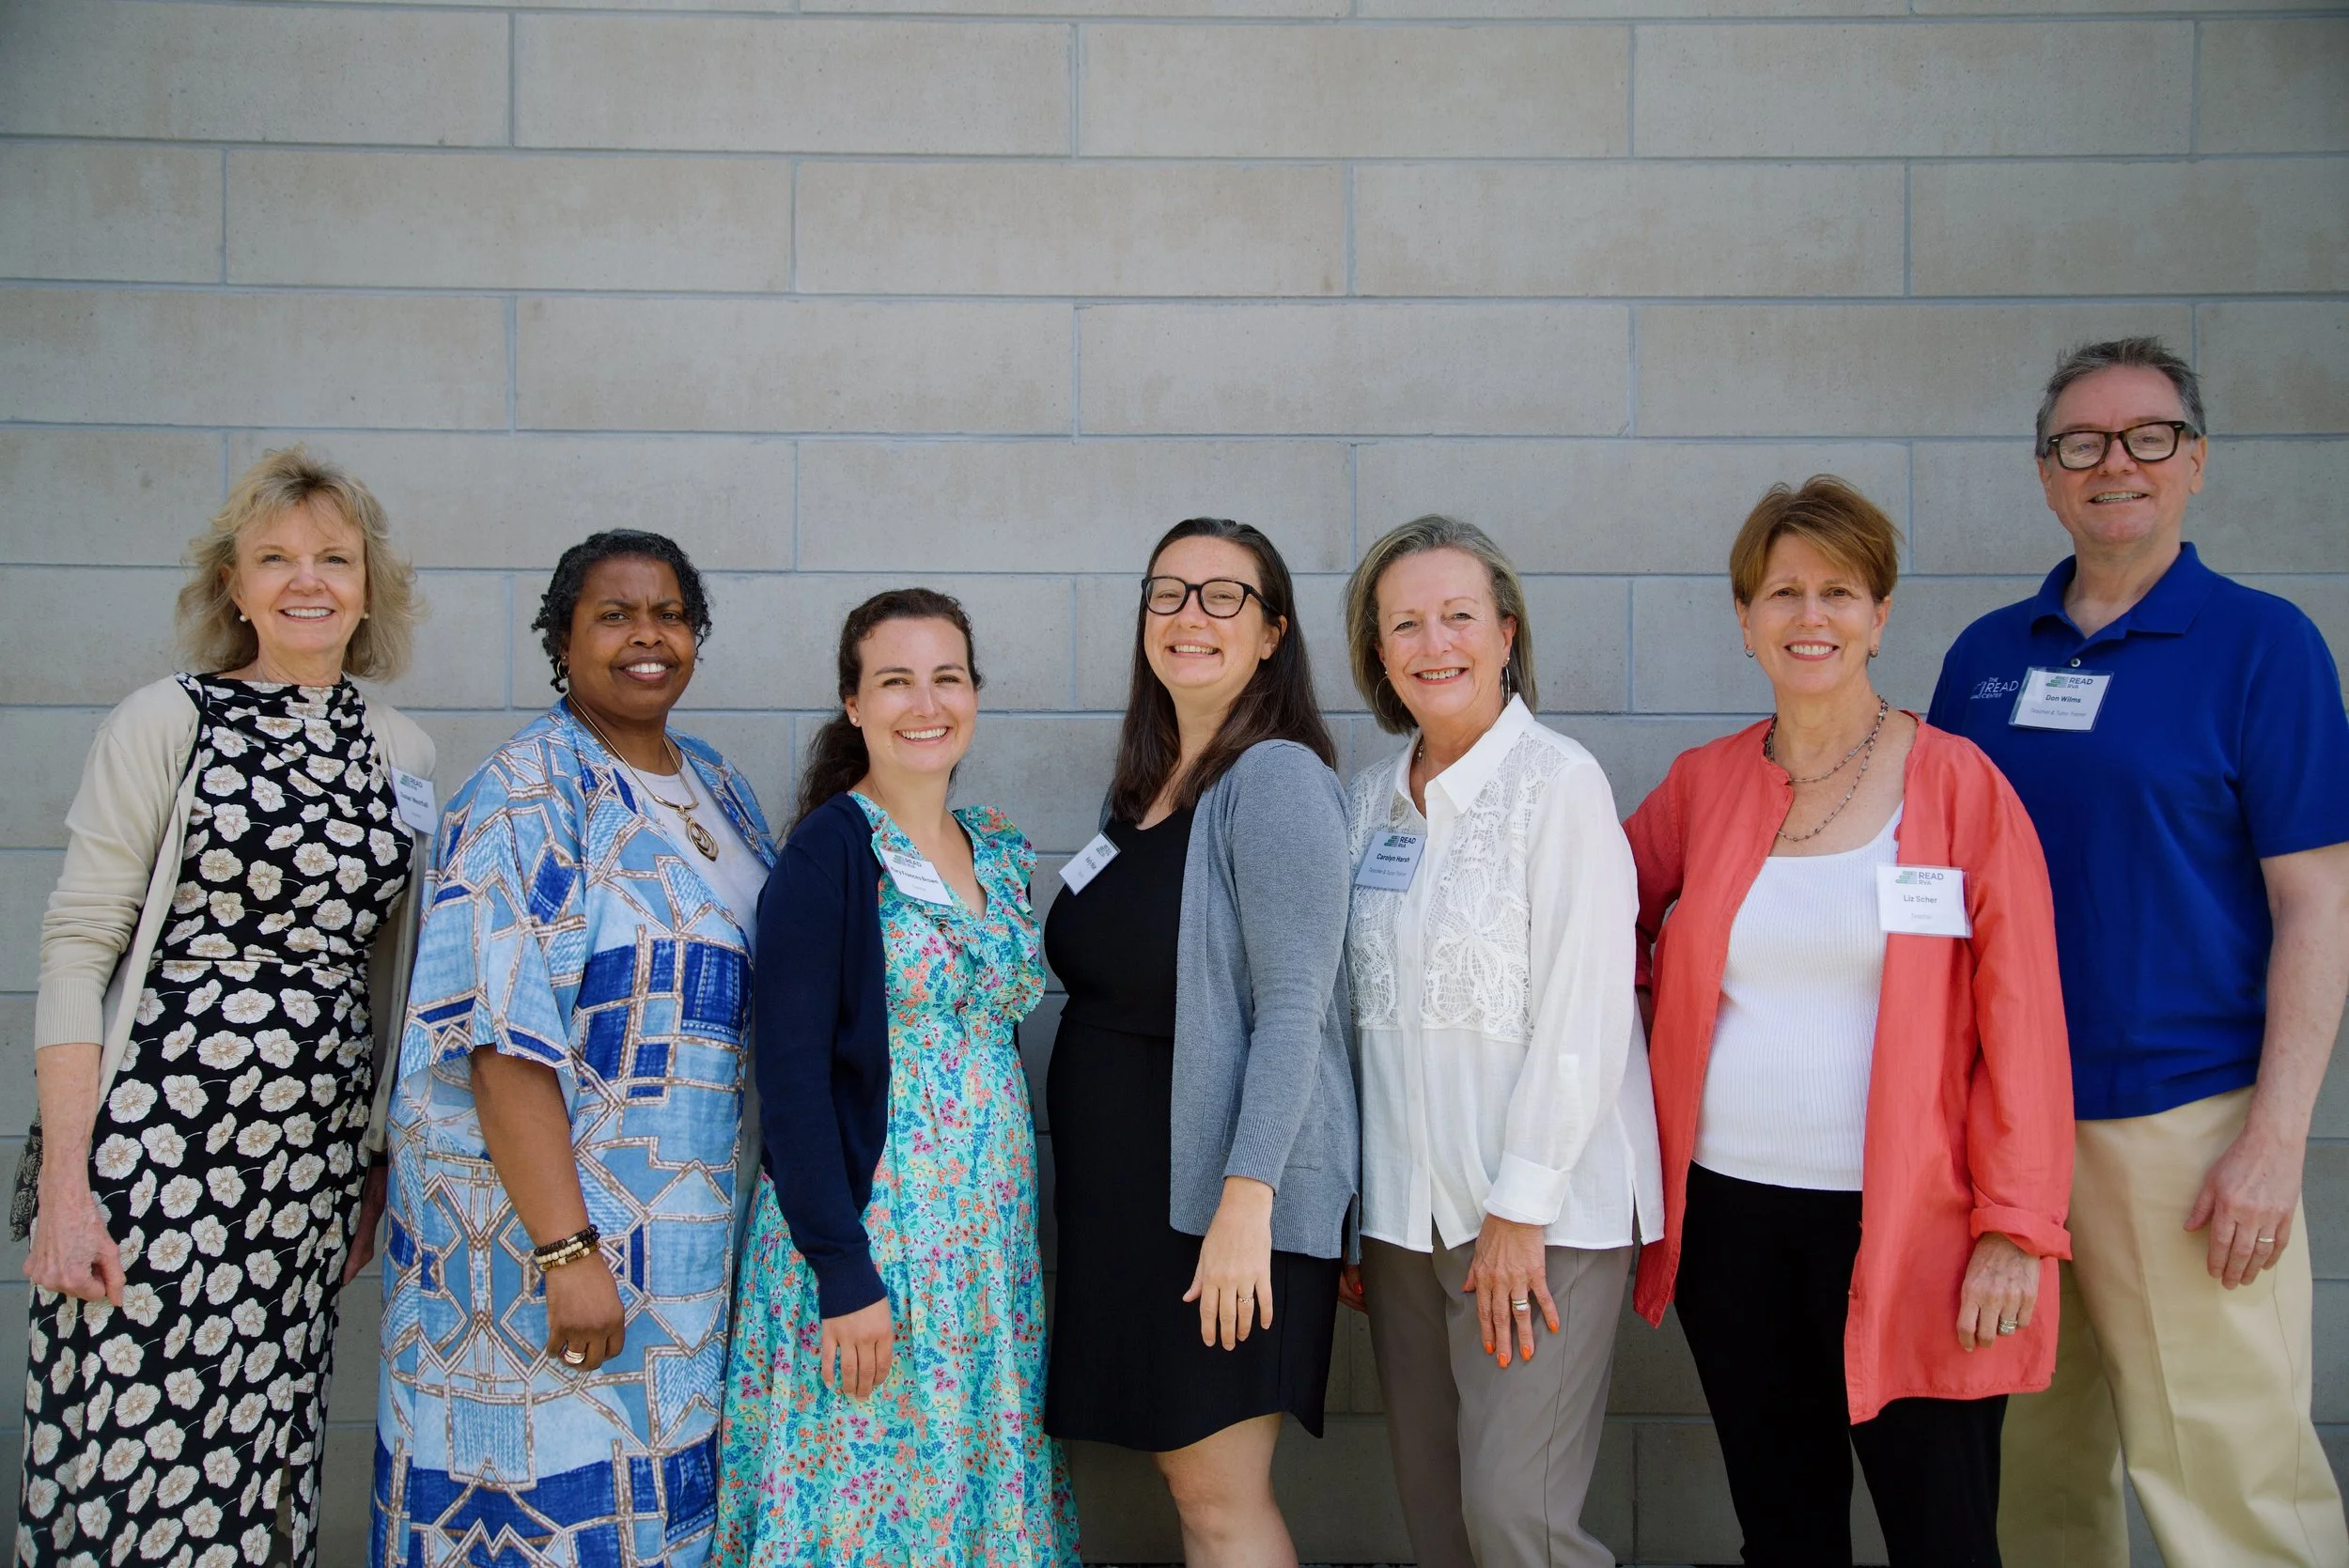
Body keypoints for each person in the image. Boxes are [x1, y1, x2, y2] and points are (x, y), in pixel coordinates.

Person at [1927, 338, 2349, 1567]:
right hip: (2008, 1134)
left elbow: (2319, 904)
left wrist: (2274, 1139)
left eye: (2147, 436)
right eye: (2081, 442)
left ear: (2195, 461)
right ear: (2045, 473)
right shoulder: (1986, 659)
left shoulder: (2263, 646)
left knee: (2231, 1479)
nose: (2114, 462)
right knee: (2035, 1476)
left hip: (2183, 1129)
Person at [1626, 477, 2074, 1567]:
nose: (1809, 616)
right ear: (1744, 619)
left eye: (1838, 591)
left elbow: (2024, 1025)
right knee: (1784, 1530)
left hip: (1915, 1227)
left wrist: (2015, 1227)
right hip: (1729, 1222)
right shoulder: (1703, 784)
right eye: (1782, 592)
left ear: (1880, 615)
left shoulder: (1960, 787)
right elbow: (1597, 925)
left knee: (1943, 1533)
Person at [19, 446, 434, 1567]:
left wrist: (372, 1160)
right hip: (154, 1160)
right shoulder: (170, 719)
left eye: (333, 558)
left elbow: (391, 977)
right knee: (128, 1453)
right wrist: (67, 1188)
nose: (308, 580)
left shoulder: (401, 751)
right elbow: (78, 946)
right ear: (234, 586)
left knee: (262, 1462)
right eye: (275, 557)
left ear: (369, 585)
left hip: (304, 1176)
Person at [370, 531, 773, 1568]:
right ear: (562, 640)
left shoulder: (719, 787)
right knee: (534, 1517)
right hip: (535, 1259)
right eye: (614, 615)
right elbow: (497, 1043)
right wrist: (567, 1251)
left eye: (670, 614)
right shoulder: (527, 792)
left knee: (654, 1522)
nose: (648, 636)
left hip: (677, 1263)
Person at [714, 588, 1078, 1564]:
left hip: (983, 1246)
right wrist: (842, 1269)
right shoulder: (830, 853)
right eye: (895, 681)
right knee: (866, 1498)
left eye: (946, 677)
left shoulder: (995, 849)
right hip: (875, 1237)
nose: (926, 703)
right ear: (854, 703)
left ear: (974, 693)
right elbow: (791, 1078)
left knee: (961, 1490)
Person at [1338, 515, 1660, 1568]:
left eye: (1459, 616)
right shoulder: (1368, 804)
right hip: (1401, 1218)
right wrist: (1352, 1209)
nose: (1434, 644)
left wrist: (1520, 1208)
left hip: (1537, 1215)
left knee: (1516, 1517)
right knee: (1439, 1518)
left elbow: (1585, 1012)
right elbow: (1352, 1020)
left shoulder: (1559, 784)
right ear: (1377, 649)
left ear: (1507, 632)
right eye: (1406, 623)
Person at [1044, 519, 1356, 1566]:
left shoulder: (1276, 780)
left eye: (1225, 595)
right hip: (1129, 1196)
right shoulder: (1142, 790)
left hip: (1221, 1200)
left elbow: (1296, 1008)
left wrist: (1244, 1203)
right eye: (1168, 592)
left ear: (1272, 633)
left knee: (1219, 1494)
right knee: (1191, 1482)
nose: (1190, 615)